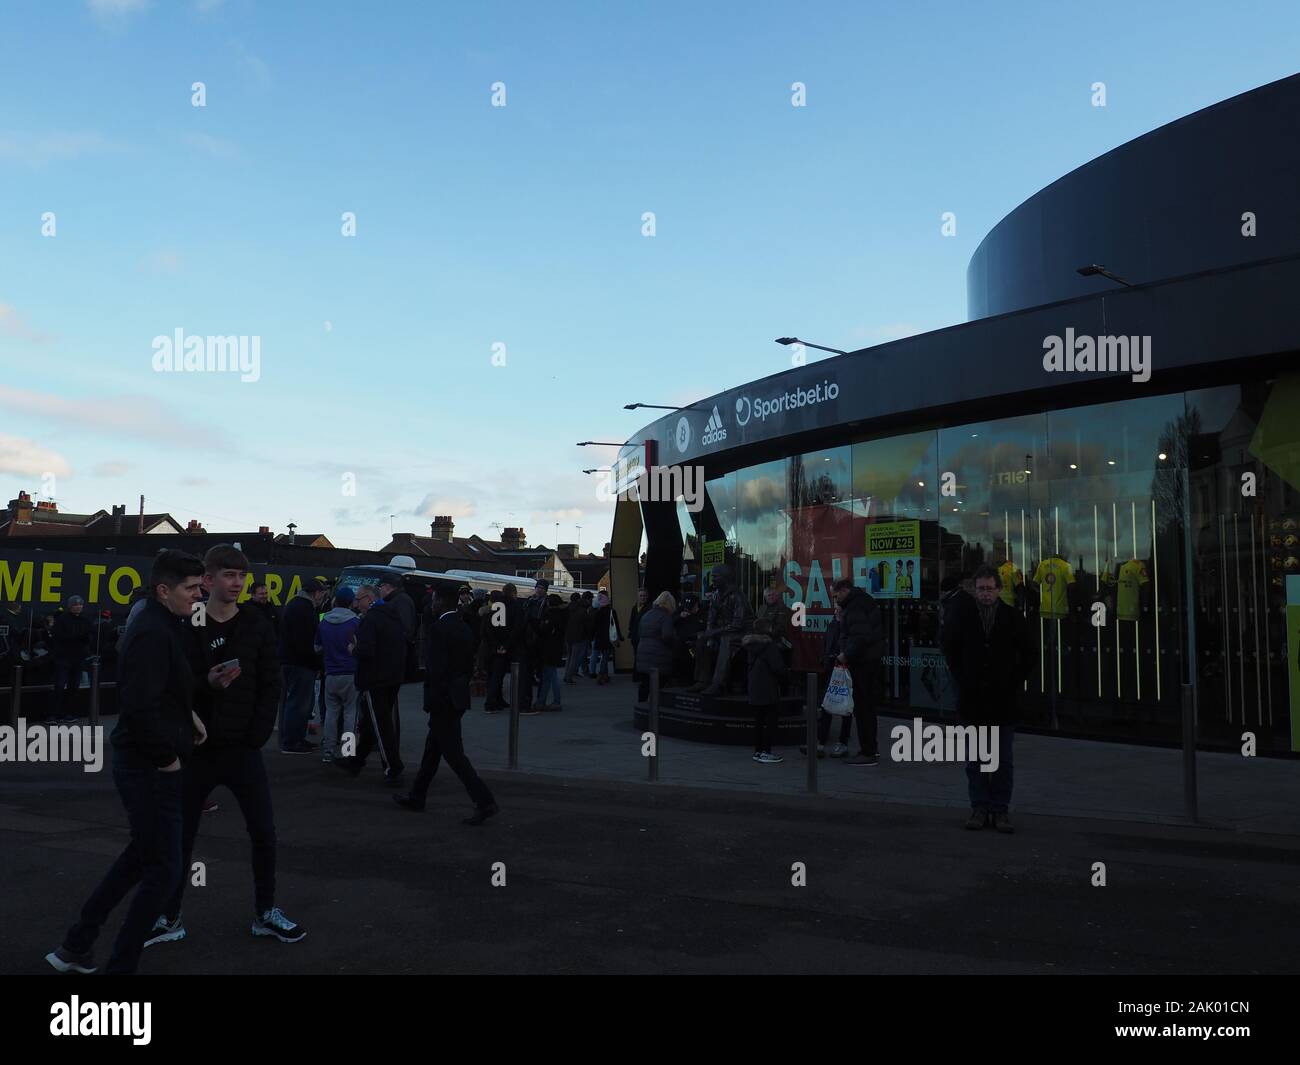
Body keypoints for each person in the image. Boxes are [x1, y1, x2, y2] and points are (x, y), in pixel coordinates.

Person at [46, 550, 207, 975]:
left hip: (146, 760)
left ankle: (77, 944)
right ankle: (119, 965)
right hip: (149, 767)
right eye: (191, 588)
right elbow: (138, 706)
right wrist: (168, 759)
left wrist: (186, 715)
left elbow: (158, 689)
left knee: (141, 858)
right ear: (163, 589)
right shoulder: (154, 630)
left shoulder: (162, 622)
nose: (198, 595)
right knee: (165, 869)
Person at [145, 544, 303, 949]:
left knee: (264, 832)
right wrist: (206, 685)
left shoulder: (257, 623)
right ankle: (169, 915)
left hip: (243, 750)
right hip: (196, 749)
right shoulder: (187, 624)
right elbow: (170, 683)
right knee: (180, 835)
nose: (237, 583)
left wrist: (258, 734)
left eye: (242, 576)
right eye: (229, 575)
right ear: (209, 579)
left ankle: (266, 912)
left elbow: (271, 681)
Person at [941, 563, 1035, 833]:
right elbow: (949, 647)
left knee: (1003, 760)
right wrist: (962, 677)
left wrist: (1013, 680)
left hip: (1003, 700)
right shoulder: (963, 616)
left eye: (989, 589)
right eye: (980, 589)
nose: (984, 594)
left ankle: (1000, 810)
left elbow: (1029, 654)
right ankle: (979, 807)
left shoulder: (1013, 617)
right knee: (976, 760)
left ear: (999, 589)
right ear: (974, 589)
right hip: (973, 699)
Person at [394, 586, 499, 824]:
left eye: (434, 599)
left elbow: (436, 670)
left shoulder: (439, 629)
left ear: (440, 601)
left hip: (443, 699)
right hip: (457, 696)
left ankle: (484, 800)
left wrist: (432, 699)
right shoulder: (463, 627)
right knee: (432, 751)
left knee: (454, 755)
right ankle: (417, 795)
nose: (432, 603)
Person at [335, 583, 405, 784]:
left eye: (359, 599)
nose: (357, 603)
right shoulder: (393, 617)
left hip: (374, 679)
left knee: (378, 724)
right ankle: (355, 760)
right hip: (392, 677)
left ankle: (392, 767)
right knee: (370, 724)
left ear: (370, 599)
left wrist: (352, 649)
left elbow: (365, 650)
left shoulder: (370, 620)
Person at [832, 577, 885, 766]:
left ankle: (868, 751)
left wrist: (846, 655)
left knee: (863, 707)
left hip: (863, 662)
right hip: (868, 660)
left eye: (836, 594)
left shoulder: (854, 606)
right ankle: (870, 748)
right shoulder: (861, 601)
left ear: (844, 590)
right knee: (866, 707)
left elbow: (860, 636)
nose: (835, 599)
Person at [278, 578, 326, 753]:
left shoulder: (294, 605)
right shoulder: (305, 610)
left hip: (290, 660)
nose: (323, 597)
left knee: (294, 703)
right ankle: (291, 742)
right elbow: (306, 642)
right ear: (316, 593)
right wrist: (317, 662)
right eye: (322, 593)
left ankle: (295, 738)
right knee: (298, 704)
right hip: (300, 663)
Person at [314, 585, 360, 764]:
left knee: (331, 713)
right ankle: (348, 751)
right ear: (350, 602)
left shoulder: (324, 621)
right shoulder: (355, 622)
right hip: (350, 673)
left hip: (330, 673)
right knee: (350, 713)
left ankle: (328, 751)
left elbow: (317, 647)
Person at [689, 564, 750, 695]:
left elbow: (738, 624)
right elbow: (711, 618)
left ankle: (718, 683)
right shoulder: (716, 595)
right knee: (701, 639)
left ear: (725, 578)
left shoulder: (738, 596)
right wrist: (709, 633)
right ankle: (702, 680)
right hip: (723, 631)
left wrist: (714, 632)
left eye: (716, 577)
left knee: (727, 641)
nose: (713, 580)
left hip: (741, 633)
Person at [803, 603, 852, 758]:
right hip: (831, 667)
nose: (836, 611)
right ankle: (820, 742)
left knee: (846, 705)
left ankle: (842, 743)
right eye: (836, 608)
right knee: (826, 704)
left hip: (845, 668)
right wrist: (825, 658)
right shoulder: (832, 624)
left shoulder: (847, 625)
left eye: (839, 609)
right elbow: (827, 642)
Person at [377, 574, 417, 747]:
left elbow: (405, 630)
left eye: (380, 587)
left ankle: (388, 741)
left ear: (388, 587)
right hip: (394, 659)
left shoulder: (399, 602)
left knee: (388, 705)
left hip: (393, 661)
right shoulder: (400, 600)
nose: (379, 590)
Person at [744, 616, 787, 764]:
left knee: (758, 721)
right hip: (768, 687)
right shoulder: (769, 646)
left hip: (755, 687)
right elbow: (778, 667)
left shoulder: (751, 644)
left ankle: (758, 750)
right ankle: (766, 752)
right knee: (770, 721)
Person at [51, 595, 93, 724]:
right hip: (63, 658)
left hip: (78, 658)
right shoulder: (62, 619)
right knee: (59, 686)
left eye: (80, 605)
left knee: (73, 687)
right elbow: (59, 637)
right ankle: (54, 715)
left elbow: (88, 637)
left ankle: (67, 713)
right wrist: (78, 637)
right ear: (70, 606)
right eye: (75, 605)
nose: (78, 607)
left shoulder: (85, 620)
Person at [634, 591, 677, 702]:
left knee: (645, 685)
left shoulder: (647, 614)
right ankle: (656, 712)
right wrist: (673, 645)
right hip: (659, 657)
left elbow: (639, 632)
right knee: (659, 686)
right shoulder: (665, 617)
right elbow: (667, 635)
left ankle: (642, 708)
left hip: (643, 653)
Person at [518, 579, 550, 713]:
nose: (539, 590)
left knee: (540, 673)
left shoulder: (546, 603)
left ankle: (538, 701)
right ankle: (529, 702)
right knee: (529, 673)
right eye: (538, 587)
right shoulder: (529, 601)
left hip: (539, 641)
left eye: (542, 588)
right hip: (529, 641)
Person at [534, 593, 567, 711]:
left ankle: (550, 701)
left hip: (548, 649)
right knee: (549, 676)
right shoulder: (562, 615)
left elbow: (543, 631)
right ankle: (542, 701)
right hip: (556, 649)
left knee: (550, 676)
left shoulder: (550, 616)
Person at [590, 590, 621, 685]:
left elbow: (594, 626)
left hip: (599, 637)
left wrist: (591, 636)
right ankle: (601, 675)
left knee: (600, 656)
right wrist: (619, 636)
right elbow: (616, 625)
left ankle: (605, 675)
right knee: (605, 658)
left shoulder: (597, 613)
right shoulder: (612, 611)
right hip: (608, 638)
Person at [562, 592, 587, 684]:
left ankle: (566, 675)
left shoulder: (567, 608)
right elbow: (585, 622)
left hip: (568, 635)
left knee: (569, 656)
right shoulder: (581, 610)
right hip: (577, 635)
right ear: (578, 599)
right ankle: (569, 677)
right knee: (574, 657)